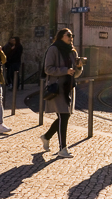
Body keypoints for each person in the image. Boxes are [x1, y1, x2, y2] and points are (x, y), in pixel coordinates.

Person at [40, 28, 84, 158]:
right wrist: (65, 70)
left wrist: (79, 67)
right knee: (63, 116)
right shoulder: (53, 49)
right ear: (61, 37)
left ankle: (46, 137)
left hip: (69, 87)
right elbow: (48, 69)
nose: (71, 37)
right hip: (58, 87)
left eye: (72, 35)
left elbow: (75, 73)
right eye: (68, 35)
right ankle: (62, 148)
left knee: (64, 116)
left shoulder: (72, 51)